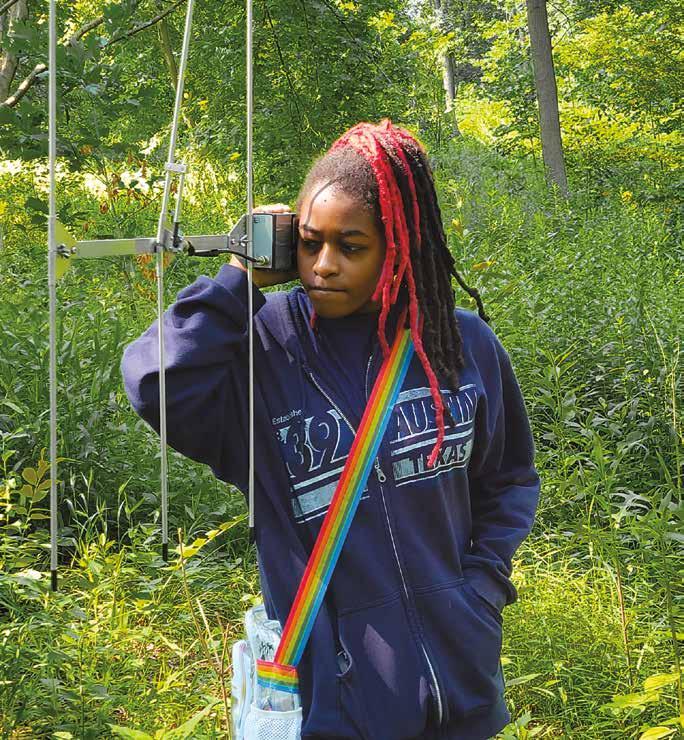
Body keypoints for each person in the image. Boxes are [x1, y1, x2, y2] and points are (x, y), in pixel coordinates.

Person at [121, 119, 541, 740]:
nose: (324, 266)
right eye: (309, 242)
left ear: (398, 246)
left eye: (351, 246)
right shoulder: (263, 352)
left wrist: (479, 591)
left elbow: (508, 480)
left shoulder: (459, 345)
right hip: (334, 702)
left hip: (462, 691)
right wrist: (237, 280)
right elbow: (156, 381)